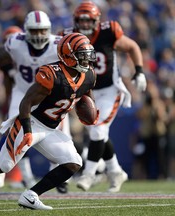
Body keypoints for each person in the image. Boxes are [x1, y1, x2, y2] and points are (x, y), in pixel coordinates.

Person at [0, 32, 97, 210]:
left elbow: (86, 95)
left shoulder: (89, 75)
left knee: (73, 162)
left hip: (51, 128)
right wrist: (28, 130)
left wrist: (91, 111)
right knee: (2, 165)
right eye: (82, 56)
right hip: (31, 122)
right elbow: (26, 103)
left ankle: (31, 195)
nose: (87, 60)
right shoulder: (52, 74)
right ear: (68, 56)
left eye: (88, 55)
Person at [0, 11, 70, 193]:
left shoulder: (58, 45)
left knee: (59, 132)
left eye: (42, 31)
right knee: (11, 128)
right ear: (26, 30)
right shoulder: (15, 43)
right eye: (34, 30)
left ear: (48, 30)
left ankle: (59, 173)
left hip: (49, 94)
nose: (39, 35)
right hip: (23, 91)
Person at [60, 1, 147, 192]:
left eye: (88, 20)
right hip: (86, 91)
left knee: (97, 131)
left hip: (109, 90)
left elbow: (132, 46)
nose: (84, 24)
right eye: (81, 20)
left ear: (97, 20)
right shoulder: (69, 36)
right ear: (75, 20)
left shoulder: (109, 31)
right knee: (98, 132)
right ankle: (115, 171)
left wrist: (139, 71)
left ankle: (89, 174)